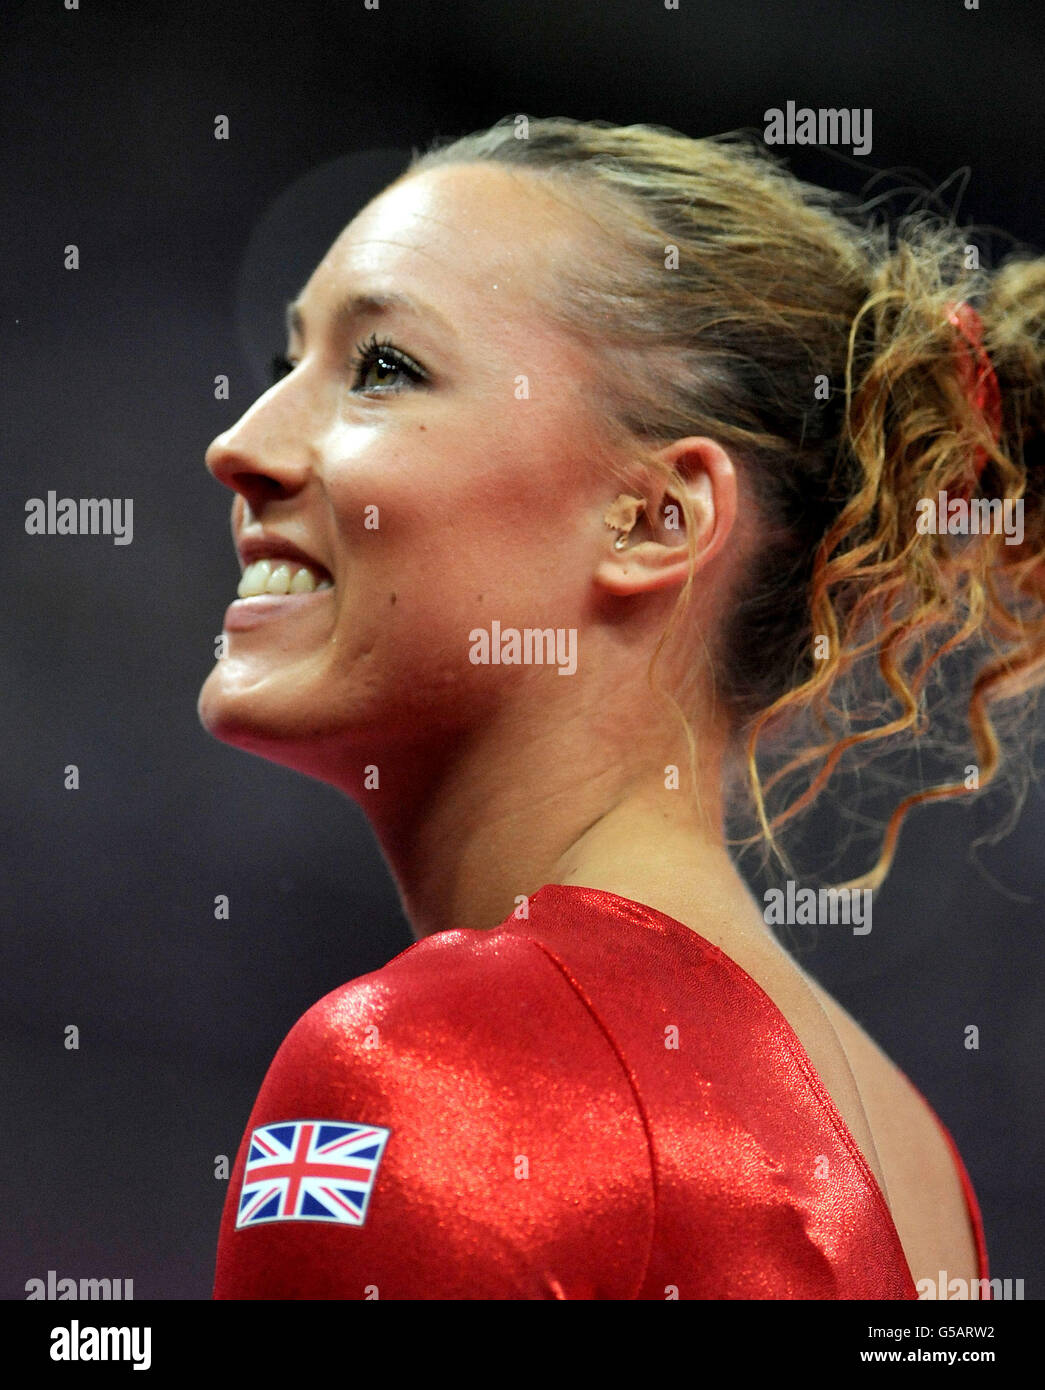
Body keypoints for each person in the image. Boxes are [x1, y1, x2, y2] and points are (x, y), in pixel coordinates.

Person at [197, 116, 1043, 1299]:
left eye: (382, 367)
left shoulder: (423, 1068)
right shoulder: (909, 1153)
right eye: (291, 362)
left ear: (658, 519)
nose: (239, 445)